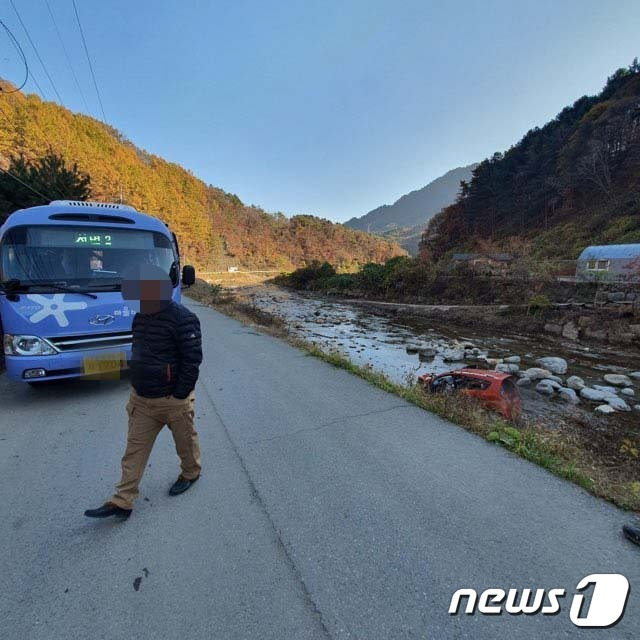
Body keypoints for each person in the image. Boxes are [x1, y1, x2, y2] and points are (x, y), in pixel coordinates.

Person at [85, 264, 203, 520]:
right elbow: (138, 353)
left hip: (173, 401)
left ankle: (191, 473)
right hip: (142, 400)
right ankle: (122, 501)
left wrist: (179, 395)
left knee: (185, 443)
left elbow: (192, 361)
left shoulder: (184, 319)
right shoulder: (141, 317)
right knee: (134, 451)